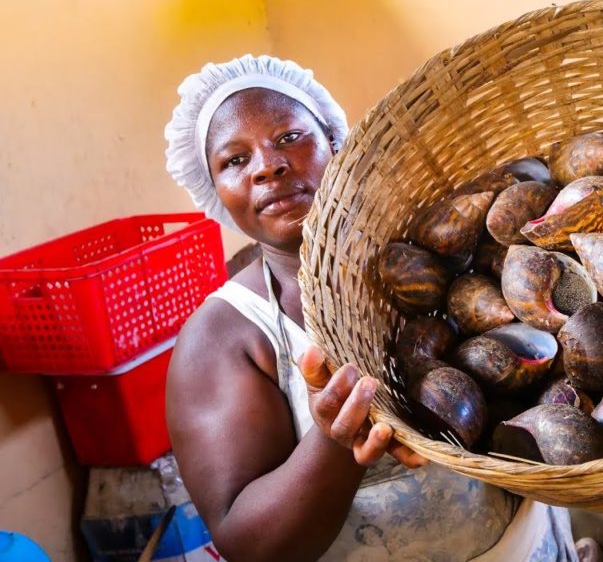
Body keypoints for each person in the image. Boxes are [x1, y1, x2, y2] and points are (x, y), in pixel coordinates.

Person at [164, 55, 579, 562]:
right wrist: (334, 441)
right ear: (216, 191)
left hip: (531, 546)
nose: (268, 165)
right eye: (234, 160)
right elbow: (247, 544)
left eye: (289, 138)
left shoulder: (433, 252)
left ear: (335, 146)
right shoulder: (224, 337)